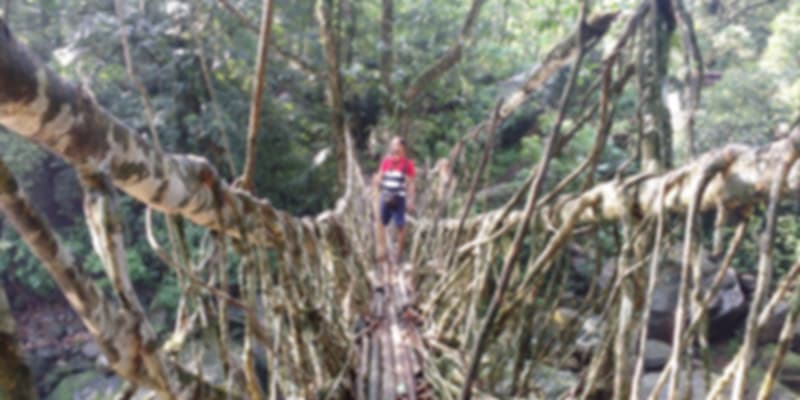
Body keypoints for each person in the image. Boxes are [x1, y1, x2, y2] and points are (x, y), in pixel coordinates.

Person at [373, 136, 416, 262]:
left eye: (396, 145)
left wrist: (411, 200)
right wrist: (376, 181)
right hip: (385, 197)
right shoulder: (386, 162)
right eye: (392, 146)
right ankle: (382, 251)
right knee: (380, 222)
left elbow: (412, 183)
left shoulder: (408, 164)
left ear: (402, 148)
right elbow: (380, 176)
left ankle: (398, 255)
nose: (393, 148)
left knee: (401, 226)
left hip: (399, 199)